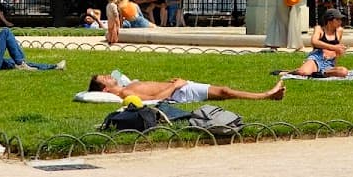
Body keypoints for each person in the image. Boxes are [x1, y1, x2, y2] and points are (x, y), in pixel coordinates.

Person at [88, 72, 285, 103]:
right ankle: (266, 95)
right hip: (179, 93)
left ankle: (268, 95)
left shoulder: (126, 86)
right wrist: (176, 86)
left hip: (178, 88)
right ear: (104, 90)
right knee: (224, 91)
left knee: (223, 90)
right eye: (105, 78)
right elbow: (154, 100)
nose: (108, 76)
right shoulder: (125, 92)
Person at [283, 8, 348, 78]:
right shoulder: (319, 29)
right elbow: (314, 42)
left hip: (329, 61)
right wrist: (334, 47)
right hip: (317, 57)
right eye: (337, 19)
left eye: (340, 19)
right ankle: (289, 72)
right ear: (329, 20)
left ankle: (321, 73)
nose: (340, 22)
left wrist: (340, 50)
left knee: (343, 71)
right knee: (304, 72)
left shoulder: (339, 31)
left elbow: (337, 48)